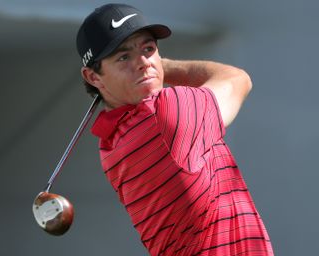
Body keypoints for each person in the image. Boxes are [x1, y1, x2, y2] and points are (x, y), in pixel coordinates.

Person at [76, 3, 274, 256]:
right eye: (124, 57)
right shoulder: (164, 114)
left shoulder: (110, 141)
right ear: (93, 77)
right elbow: (238, 79)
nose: (143, 63)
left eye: (148, 49)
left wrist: (144, 69)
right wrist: (163, 66)